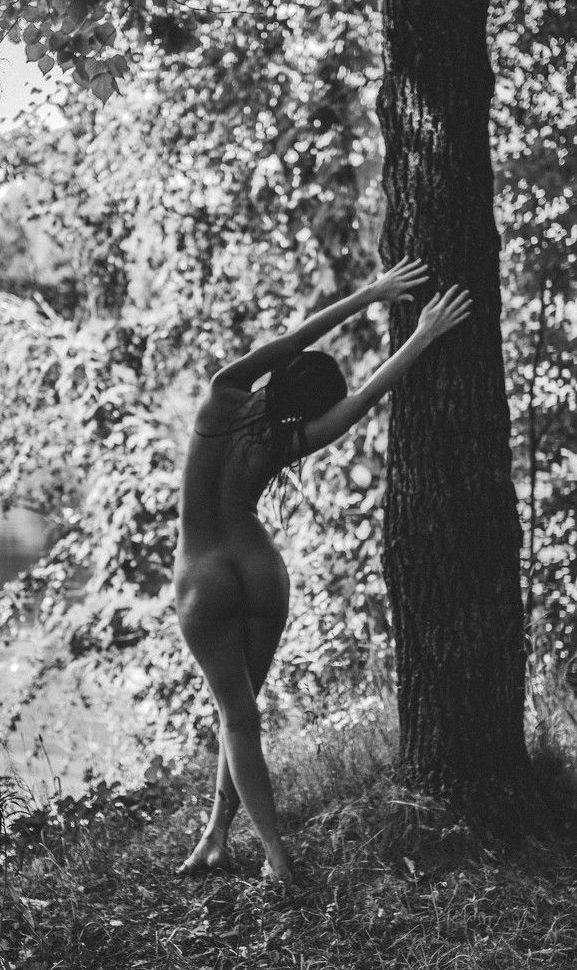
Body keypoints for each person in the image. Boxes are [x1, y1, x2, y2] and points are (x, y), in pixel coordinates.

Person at [173, 259, 471, 881]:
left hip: (203, 575)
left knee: (236, 714)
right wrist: (422, 335)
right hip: (260, 569)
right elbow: (365, 397)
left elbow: (297, 337)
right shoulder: (291, 440)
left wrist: (373, 293)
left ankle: (276, 856)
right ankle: (216, 838)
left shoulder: (223, 392)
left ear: (283, 377)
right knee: (240, 713)